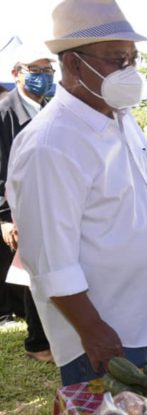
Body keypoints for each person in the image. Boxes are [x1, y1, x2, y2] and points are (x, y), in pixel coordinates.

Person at [6, 0, 147, 386]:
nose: (129, 71)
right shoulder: (49, 144)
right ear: (74, 63)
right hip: (106, 333)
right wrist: (92, 329)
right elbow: (49, 258)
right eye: (117, 59)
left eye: (133, 58)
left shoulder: (120, 117)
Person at [0, 46, 56, 361]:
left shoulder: (51, 108)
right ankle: (38, 343)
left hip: (52, 202)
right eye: (36, 70)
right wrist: (5, 218)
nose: (43, 78)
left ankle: (54, 335)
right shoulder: (4, 113)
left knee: (52, 271)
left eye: (49, 71)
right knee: (34, 274)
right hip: (21, 209)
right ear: (16, 73)